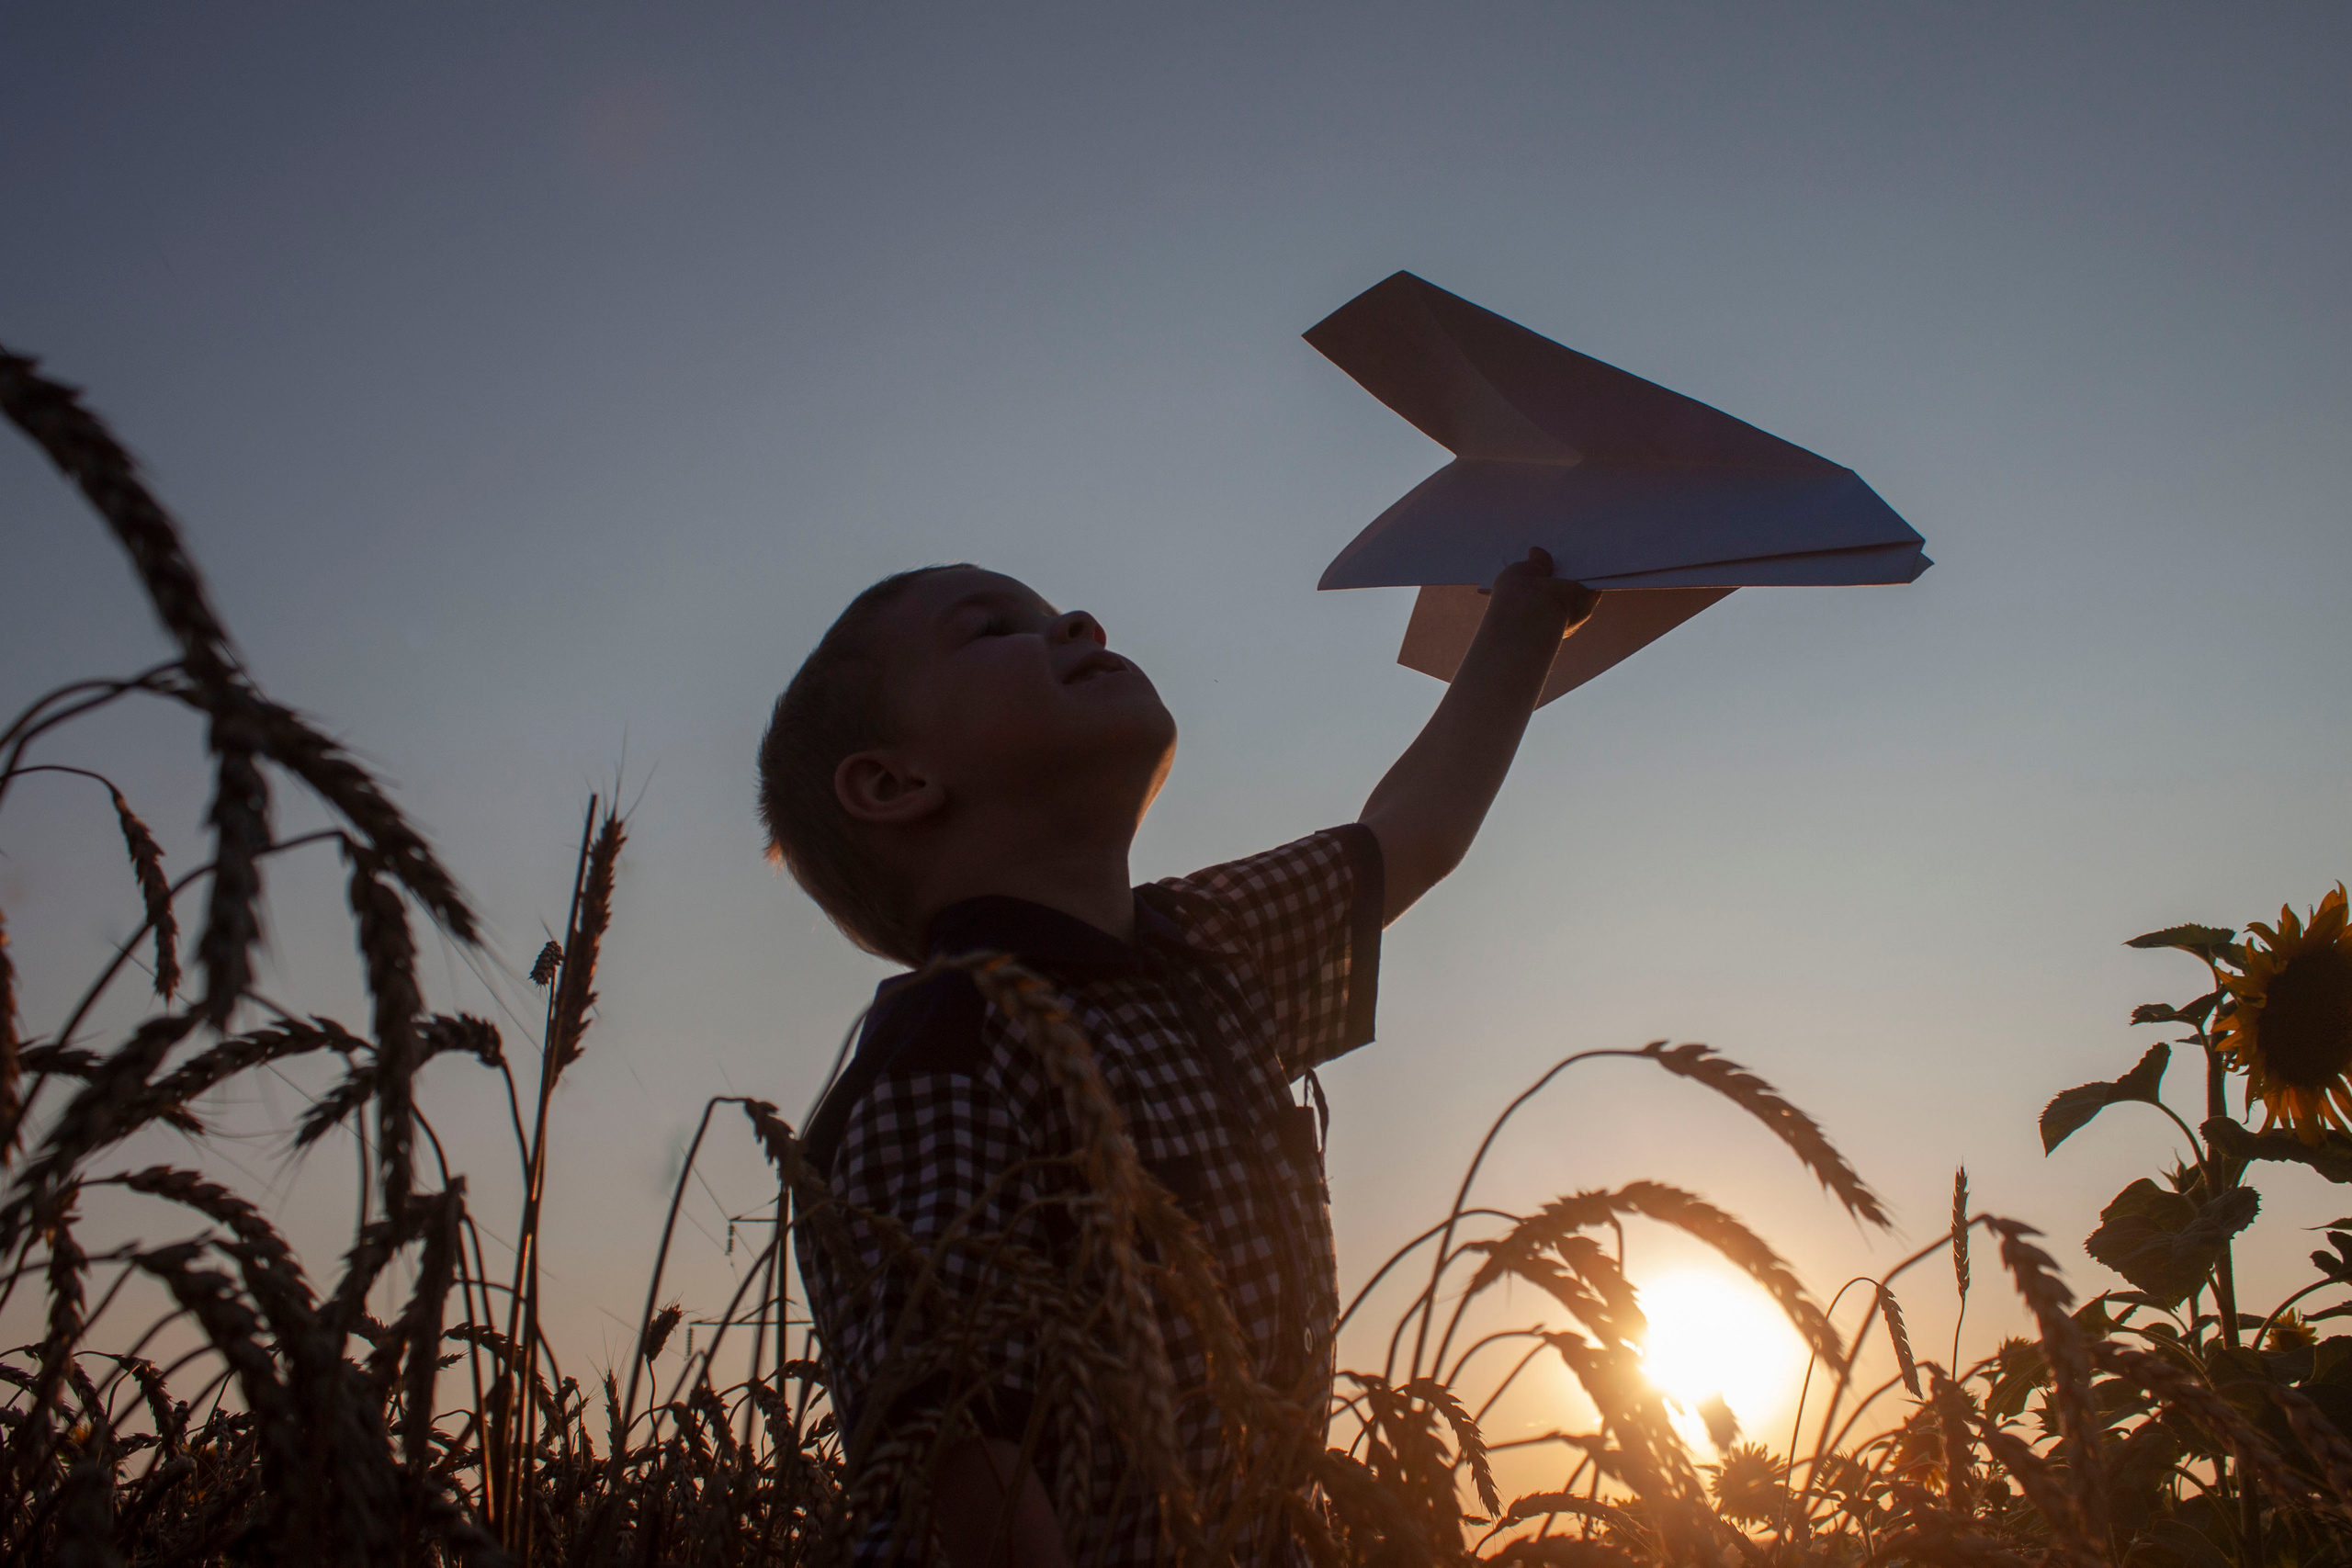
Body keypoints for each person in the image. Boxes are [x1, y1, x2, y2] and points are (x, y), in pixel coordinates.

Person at [758, 551, 1596, 1566]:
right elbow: (968, 1465)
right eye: (993, 628)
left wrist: (1524, 621)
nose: (1078, 622)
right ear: (894, 783)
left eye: (1058, 607)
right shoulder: (938, 1058)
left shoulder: (1209, 945)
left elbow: (1407, 837)